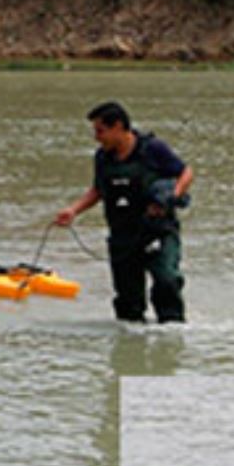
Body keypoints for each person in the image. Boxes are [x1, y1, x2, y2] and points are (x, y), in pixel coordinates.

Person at [54, 101, 193, 324]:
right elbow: (98, 190)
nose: (96, 137)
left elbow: (185, 172)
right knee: (128, 301)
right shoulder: (102, 157)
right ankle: (131, 345)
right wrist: (73, 210)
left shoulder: (153, 149)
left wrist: (172, 196)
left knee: (167, 280)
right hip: (122, 236)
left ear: (118, 126)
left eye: (100, 131)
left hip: (157, 231)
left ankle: (172, 333)